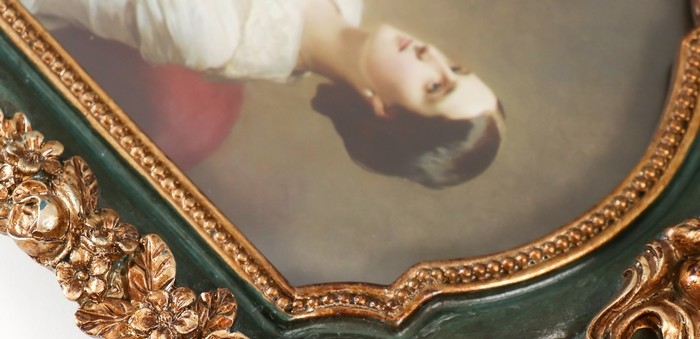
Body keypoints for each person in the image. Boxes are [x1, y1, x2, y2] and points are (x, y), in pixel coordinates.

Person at [22, 0, 504, 187]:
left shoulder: (212, 38)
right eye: (454, 66)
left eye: (435, 86)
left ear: (385, 111)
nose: (432, 55)